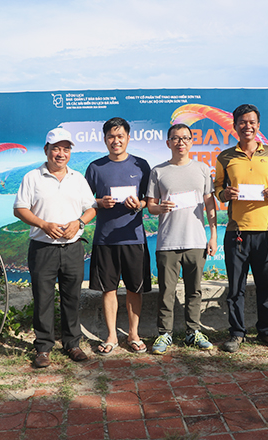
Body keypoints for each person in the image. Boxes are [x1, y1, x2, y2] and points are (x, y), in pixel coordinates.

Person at [13, 127, 96, 368]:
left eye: (66, 149)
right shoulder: (32, 177)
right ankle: (43, 347)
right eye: (56, 148)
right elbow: (19, 209)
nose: (61, 153)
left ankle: (72, 344)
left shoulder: (77, 178)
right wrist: (43, 224)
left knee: (72, 297)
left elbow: (91, 207)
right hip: (42, 247)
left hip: (72, 248)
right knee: (43, 299)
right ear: (46, 150)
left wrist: (79, 222)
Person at [214, 104, 268, 351]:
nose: (247, 126)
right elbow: (218, 189)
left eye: (252, 122)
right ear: (234, 126)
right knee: (236, 287)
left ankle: (267, 331)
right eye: (242, 122)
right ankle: (236, 333)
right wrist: (225, 193)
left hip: (266, 231)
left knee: (266, 285)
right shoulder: (225, 157)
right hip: (237, 232)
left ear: (258, 125)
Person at [146, 123, 218, 355]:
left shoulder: (202, 169)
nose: (181, 142)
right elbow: (150, 206)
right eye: (176, 138)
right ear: (168, 143)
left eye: (185, 138)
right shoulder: (158, 171)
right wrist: (160, 208)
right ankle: (164, 333)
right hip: (167, 241)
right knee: (166, 291)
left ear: (191, 142)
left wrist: (213, 235)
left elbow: (209, 203)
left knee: (194, 290)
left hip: (196, 240)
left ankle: (192, 332)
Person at [85, 117, 152, 355]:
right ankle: (112, 335)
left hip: (134, 238)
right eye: (111, 137)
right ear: (104, 139)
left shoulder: (141, 165)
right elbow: (85, 201)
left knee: (135, 288)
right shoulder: (95, 167)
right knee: (108, 289)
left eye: (120, 136)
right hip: (105, 239)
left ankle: (133, 334)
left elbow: (149, 200)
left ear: (128, 138)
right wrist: (99, 202)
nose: (116, 141)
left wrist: (140, 203)